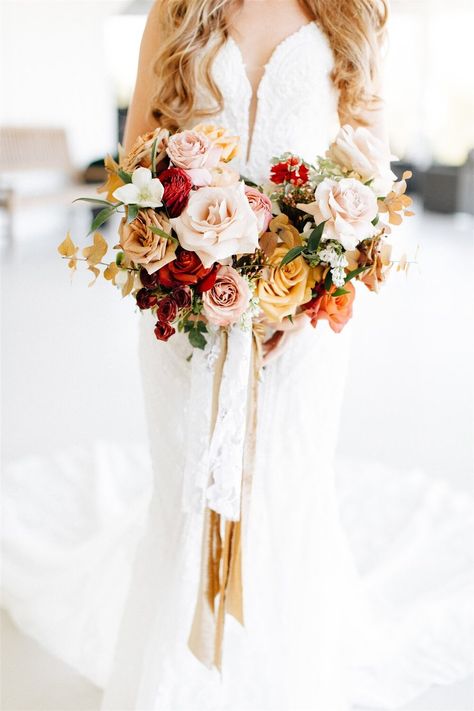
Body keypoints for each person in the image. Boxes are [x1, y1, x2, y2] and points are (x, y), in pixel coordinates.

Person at [102, 1, 389, 708]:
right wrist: (187, 273)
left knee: (284, 490)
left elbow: (373, 179)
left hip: (306, 330)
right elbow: (135, 166)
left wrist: (306, 289)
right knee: (187, 491)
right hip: (188, 314)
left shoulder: (355, 14)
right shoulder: (177, 11)